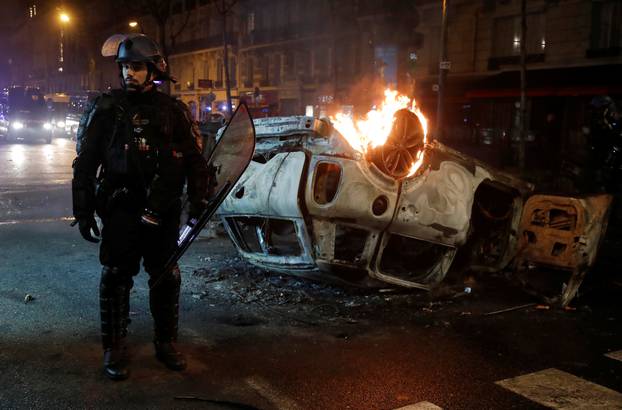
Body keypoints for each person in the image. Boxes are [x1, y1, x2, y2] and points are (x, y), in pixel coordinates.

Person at [72, 34, 210, 380]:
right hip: (121, 207)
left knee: (166, 277)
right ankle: (115, 346)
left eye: (135, 67)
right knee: (117, 276)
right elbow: (86, 163)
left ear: (152, 70)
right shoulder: (106, 109)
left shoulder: (173, 112)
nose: (128, 74)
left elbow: (195, 162)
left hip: (162, 210)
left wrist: (198, 200)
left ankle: (165, 343)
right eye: (124, 67)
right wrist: (83, 209)